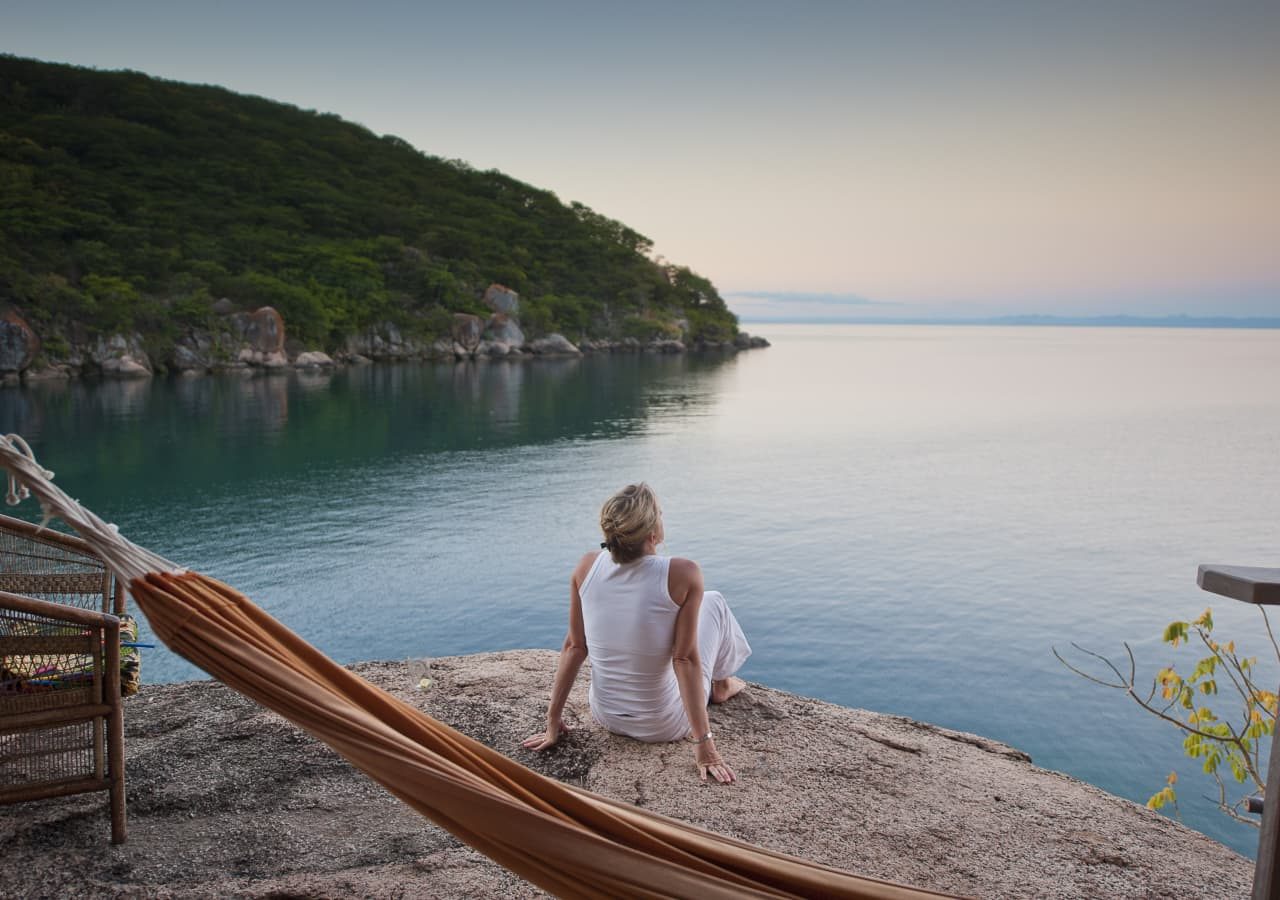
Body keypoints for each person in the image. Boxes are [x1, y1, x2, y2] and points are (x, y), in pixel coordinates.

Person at [522, 483, 751, 783]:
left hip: (606, 715)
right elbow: (684, 660)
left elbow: (574, 647)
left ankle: (719, 683)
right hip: (663, 724)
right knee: (714, 601)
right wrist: (704, 744)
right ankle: (720, 686)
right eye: (659, 513)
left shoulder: (586, 566)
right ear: (652, 531)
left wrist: (553, 721)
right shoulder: (683, 572)